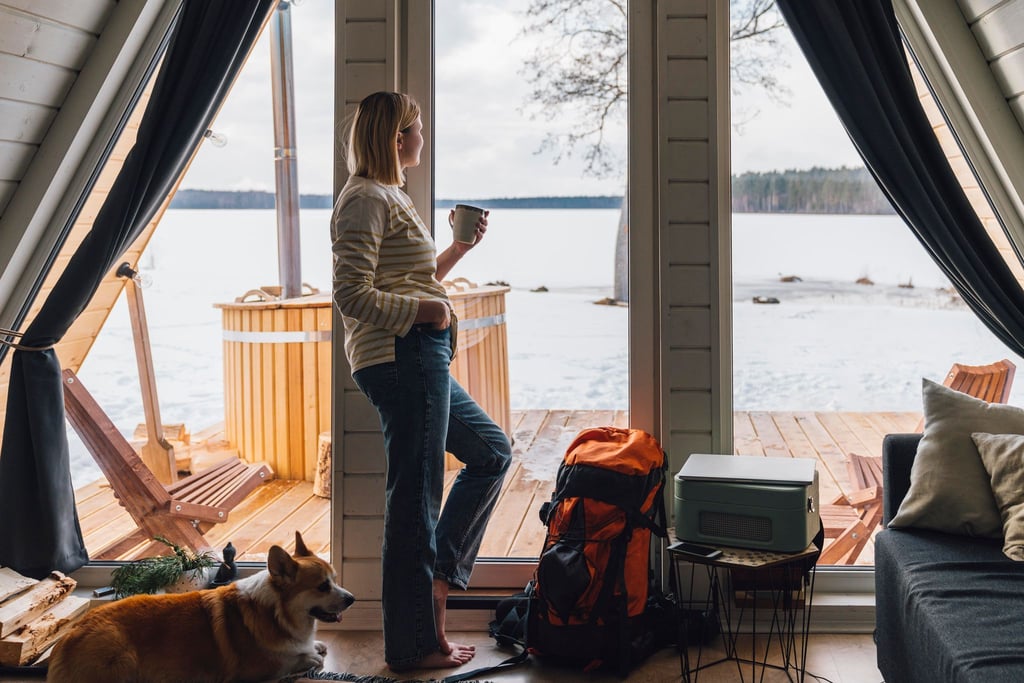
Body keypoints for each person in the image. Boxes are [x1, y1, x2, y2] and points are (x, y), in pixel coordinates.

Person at [331, 91, 512, 671]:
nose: (422, 136)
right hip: (400, 356)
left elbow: (410, 278)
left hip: (422, 354)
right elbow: (350, 293)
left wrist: (457, 250)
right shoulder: (363, 198)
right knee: (414, 500)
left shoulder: (390, 195)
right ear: (396, 137)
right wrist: (426, 314)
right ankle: (414, 645)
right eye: (416, 127)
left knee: (491, 453)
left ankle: (437, 581)